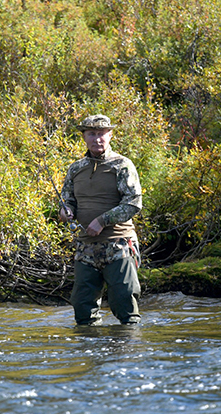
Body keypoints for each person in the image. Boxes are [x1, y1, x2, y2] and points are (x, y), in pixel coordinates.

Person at [59, 114, 143, 326]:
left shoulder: (122, 165)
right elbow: (67, 200)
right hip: (85, 247)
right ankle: (91, 352)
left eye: (101, 134)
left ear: (110, 135)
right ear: (84, 137)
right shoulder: (76, 168)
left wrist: (102, 220)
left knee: (125, 304)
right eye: (92, 134)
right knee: (82, 307)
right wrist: (65, 211)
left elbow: (133, 203)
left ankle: (127, 354)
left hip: (119, 245)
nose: (97, 139)